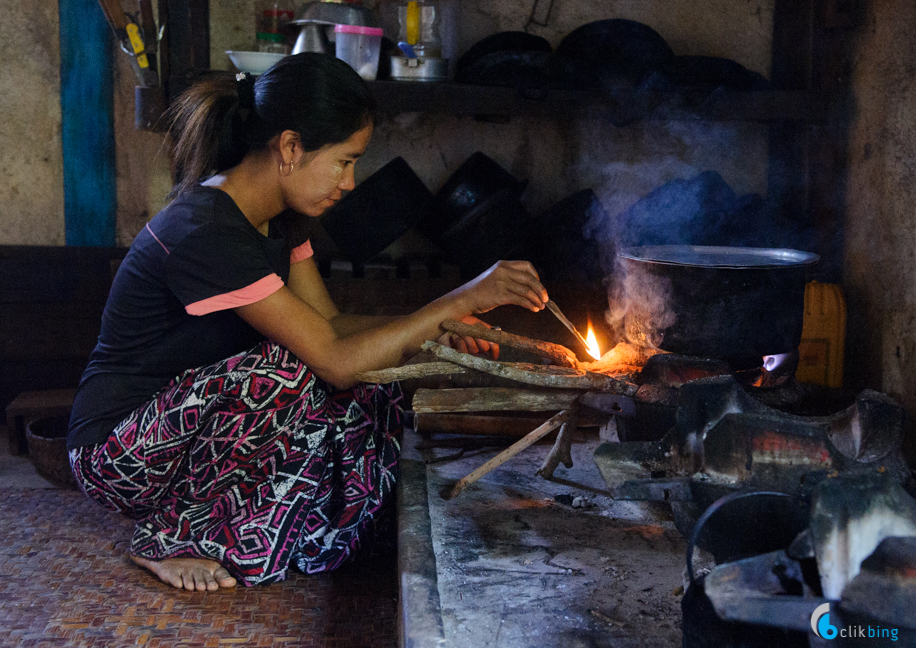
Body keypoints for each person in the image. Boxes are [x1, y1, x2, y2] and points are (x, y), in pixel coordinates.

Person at [66, 52, 548, 592]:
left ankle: (319, 531)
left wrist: (430, 334)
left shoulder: (279, 219)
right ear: (292, 148)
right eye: (344, 161)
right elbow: (333, 360)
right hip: (120, 452)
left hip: (194, 437)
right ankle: (168, 538)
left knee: (377, 381)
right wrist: (459, 299)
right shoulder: (206, 230)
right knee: (287, 373)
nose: (350, 180)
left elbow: (331, 325)